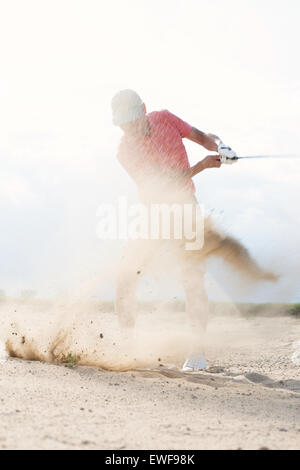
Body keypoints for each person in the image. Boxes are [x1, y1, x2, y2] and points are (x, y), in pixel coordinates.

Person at [111, 89, 276, 371]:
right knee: (126, 278)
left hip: (186, 209)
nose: (130, 127)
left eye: (133, 120)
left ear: (144, 110)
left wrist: (221, 146)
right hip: (154, 213)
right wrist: (200, 167)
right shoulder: (125, 151)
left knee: (192, 280)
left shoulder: (165, 119)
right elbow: (161, 185)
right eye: (123, 123)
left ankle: (197, 352)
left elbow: (202, 137)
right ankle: (128, 348)